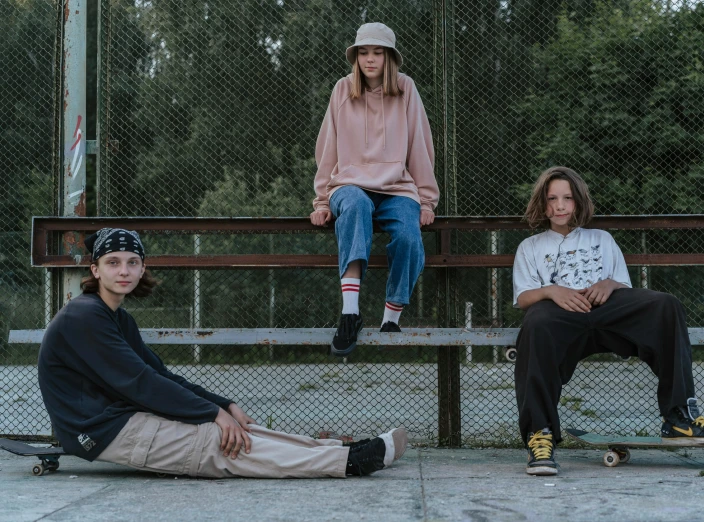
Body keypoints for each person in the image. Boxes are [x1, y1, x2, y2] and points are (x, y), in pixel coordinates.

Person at [37, 228, 407, 478]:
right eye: (113, 263)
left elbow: (162, 377)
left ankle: (341, 451)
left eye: (132, 262)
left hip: (124, 417)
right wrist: (212, 415)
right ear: (95, 269)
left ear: (143, 267)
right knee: (222, 443)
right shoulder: (84, 317)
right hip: (103, 432)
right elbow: (140, 383)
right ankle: (345, 464)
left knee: (238, 427)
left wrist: (224, 406)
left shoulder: (118, 318)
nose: (124, 271)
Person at [512, 167, 704, 476]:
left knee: (665, 306)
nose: (559, 206)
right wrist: (552, 291)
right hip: (559, 318)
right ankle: (540, 434)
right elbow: (523, 298)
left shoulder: (601, 239)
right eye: (552, 199)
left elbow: (624, 286)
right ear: (541, 203)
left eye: (567, 198)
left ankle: (680, 418)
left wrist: (610, 285)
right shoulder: (530, 247)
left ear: (579, 202)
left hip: (608, 311)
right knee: (535, 323)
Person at [310, 22, 439, 356]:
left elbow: (420, 146)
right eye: (363, 52)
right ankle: (350, 313)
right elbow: (329, 147)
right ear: (355, 57)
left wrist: (426, 200)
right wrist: (323, 200)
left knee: (410, 237)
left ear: (389, 57)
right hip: (349, 184)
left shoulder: (406, 89)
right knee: (355, 206)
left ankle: (391, 319)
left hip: (397, 188)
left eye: (377, 52)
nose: (370, 59)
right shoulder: (342, 89)